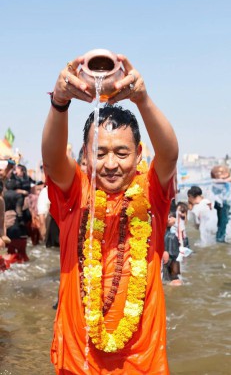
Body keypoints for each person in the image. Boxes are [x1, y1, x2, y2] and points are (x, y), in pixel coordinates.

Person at [42, 54, 178, 374]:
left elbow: (170, 155)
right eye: (100, 153)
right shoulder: (75, 194)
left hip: (142, 362)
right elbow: (51, 160)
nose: (111, 164)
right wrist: (59, 103)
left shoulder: (151, 195)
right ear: (86, 157)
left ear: (138, 155)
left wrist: (142, 99)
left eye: (121, 152)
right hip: (78, 361)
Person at [210, 165, 231, 243]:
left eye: (222, 172)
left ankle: (220, 236)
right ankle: (220, 238)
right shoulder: (215, 181)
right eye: (218, 172)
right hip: (220, 204)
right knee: (223, 220)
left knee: (223, 220)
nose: (220, 174)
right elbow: (223, 181)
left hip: (225, 203)